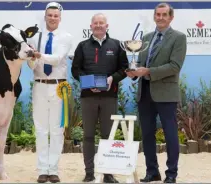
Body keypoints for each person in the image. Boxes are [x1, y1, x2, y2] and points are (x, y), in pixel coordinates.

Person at [126, 3, 187, 183]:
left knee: (170, 134)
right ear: (154, 16)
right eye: (157, 14)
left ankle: (171, 174)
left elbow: (175, 66)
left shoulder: (179, 38)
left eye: (164, 15)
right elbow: (141, 64)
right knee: (146, 134)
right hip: (144, 92)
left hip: (166, 93)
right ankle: (152, 171)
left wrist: (148, 72)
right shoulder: (146, 38)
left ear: (171, 17)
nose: (160, 17)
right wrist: (134, 73)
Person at [71, 13, 128, 183]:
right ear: (91, 26)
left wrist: (112, 79)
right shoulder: (82, 46)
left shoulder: (117, 45)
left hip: (109, 97)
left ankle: (108, 174)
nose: (98, 25)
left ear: (106, 26)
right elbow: (75, 70)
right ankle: (89, 172)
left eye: (101, 23)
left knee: (107, 135)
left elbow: (124, 69)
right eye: (95, 23)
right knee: (88, 135)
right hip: (88, 97)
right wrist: (88, 83)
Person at [27, 2, 73, 183]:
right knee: (40, 129)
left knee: (57, 130)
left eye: (56, 16)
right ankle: (42, 170)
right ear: (45, 16)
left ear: (60, 18)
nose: (52, 18)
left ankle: (53, 169)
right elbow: (31, 64)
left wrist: (38, 56)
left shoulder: (66, 37)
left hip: (58, 87)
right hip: (39, 85)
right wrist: (32, 60)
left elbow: (57, 59)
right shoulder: (34, 38)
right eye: (50, 15)